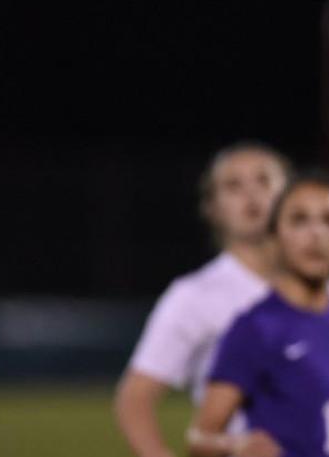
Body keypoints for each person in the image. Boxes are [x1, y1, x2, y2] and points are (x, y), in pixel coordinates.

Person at [188, 173, 329, 457]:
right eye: (300, 220)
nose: (317, 234)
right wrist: (235, 446)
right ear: (275, 237)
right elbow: (201, 437)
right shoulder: (256, 327)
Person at [115, 142, 293, 457]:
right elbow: (135, 397)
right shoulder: (195, 295)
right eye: (233, 185)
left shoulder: (328, 289)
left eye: (264, 181)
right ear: (212, 206)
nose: (251, 195)